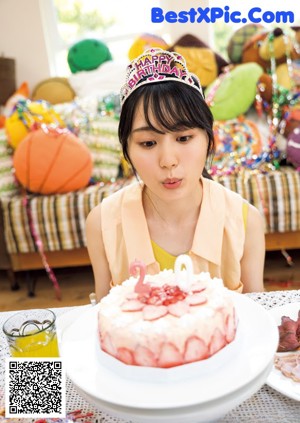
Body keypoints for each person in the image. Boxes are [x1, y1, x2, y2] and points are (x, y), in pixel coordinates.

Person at [86, 48, 265, 301]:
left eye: (183, 138)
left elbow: (256, 317)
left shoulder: (246, 222)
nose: (168, 161)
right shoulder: (102, 224)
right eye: (148, 143)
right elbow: (102, 318)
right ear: (126, 149)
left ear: (208, 140)